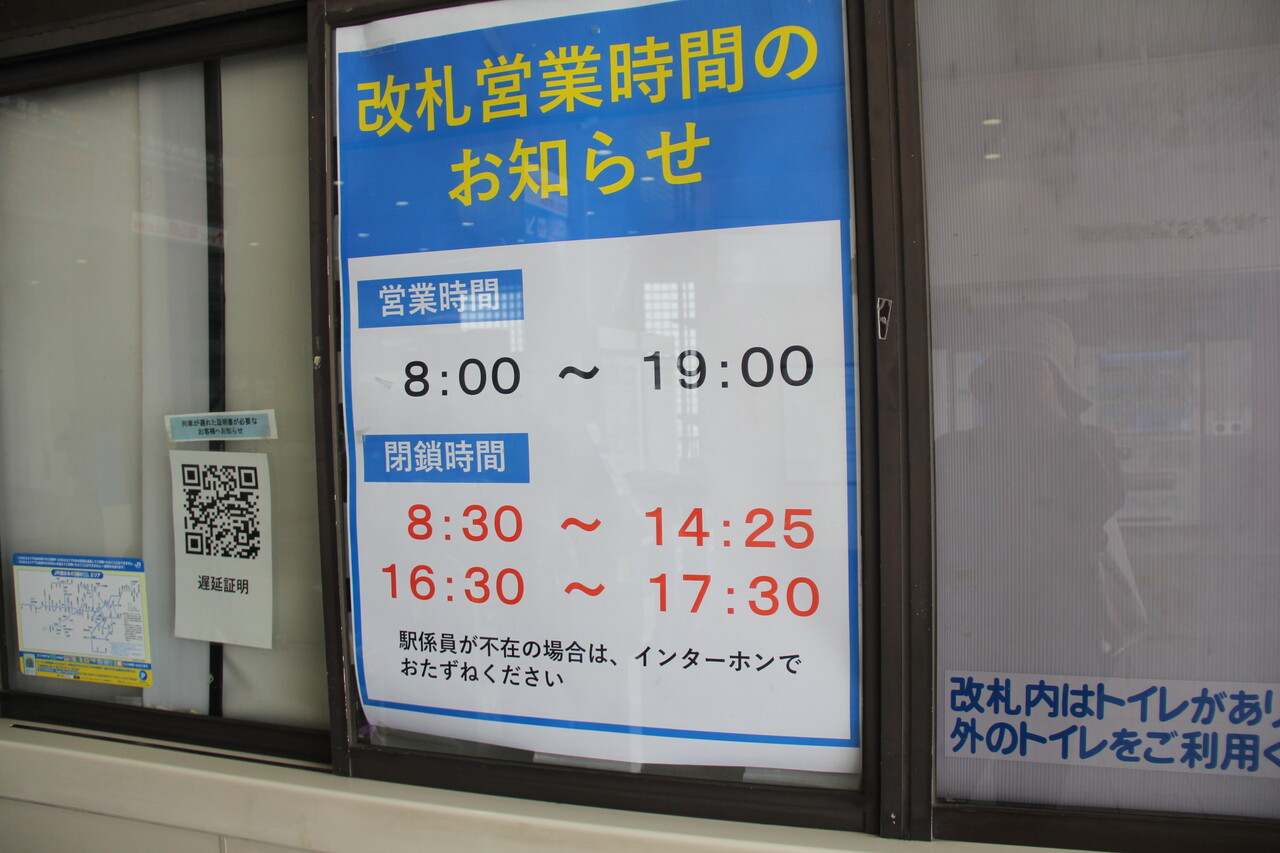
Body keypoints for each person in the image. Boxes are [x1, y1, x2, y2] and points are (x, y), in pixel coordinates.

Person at [936, 311, 1141, 676]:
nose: (1019, 385)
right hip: (980, 630)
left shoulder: (1090, 444)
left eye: (1034, 373)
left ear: (1062, 385)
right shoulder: (956, 450)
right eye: (1008, 373)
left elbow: (1101, 503)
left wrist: (1053, 418)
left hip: (1067, 629)